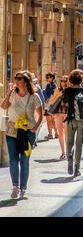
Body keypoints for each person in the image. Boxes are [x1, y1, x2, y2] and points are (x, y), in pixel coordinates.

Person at [1, 70, 43, 199]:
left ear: (25, 81)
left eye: (19, 79)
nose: (16, 81)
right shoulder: (13, 94)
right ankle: (15, 186)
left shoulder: (34, 96)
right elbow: (3, 106)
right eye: (16, 79)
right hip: (12, 131)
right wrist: (9, 93)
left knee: (24, 161)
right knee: (13, 160)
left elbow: (40, 115)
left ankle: (23, 187)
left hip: (27, 132)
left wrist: (34, 128)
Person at [62, 69, 83, 177]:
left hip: (71, 119)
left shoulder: (67, 90)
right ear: (80, 80)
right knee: (79, 144)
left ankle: (70, 155)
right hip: (82, 120)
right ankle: (77, 168)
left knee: (69, 141)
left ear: (70, 80)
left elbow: (64, 104)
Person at [49, 75, 69, 159]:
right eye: (62, 81)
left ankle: (68, 151)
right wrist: (58, 95)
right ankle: (63, 152)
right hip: (58, 114)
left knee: (67, 134)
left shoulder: (70, 91)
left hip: (67, 114)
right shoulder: (57, 90)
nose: (64, 83)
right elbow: (51, 101)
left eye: (65, 81)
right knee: (60, 133)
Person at [42, 72, 58, 140]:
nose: (47, 79)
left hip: (51, 104)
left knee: (51, 120)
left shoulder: (53, 85)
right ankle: (52, 134)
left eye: (49, 77)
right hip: (49, 104)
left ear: (52, 78)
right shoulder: (49, 85)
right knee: (50, 120)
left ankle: (54, 133)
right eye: (47, 78)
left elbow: (49, 95)